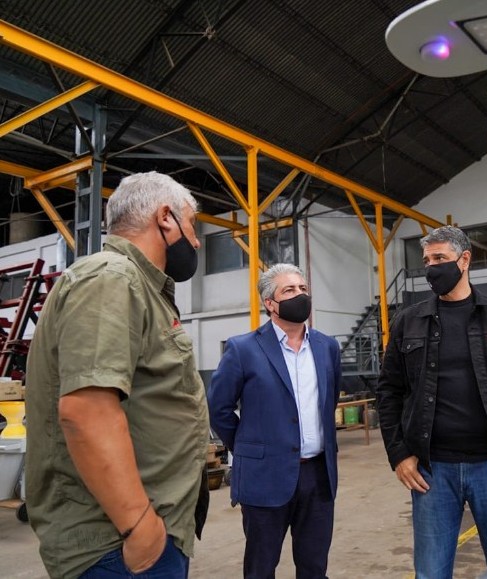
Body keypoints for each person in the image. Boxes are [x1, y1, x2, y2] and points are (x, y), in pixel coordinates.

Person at [25, 171, 209, 578]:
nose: (195, 242)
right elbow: (87, 413)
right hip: (118, 545)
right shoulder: (112, 278)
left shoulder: (136, 286)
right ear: (166, 218)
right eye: (192, 227)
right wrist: (140, 528)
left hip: (139, 536)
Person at [377, 225, 487, 578]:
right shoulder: (409, 321)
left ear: (464, 259)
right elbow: (389, 391)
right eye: (426, 260)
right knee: (431, 570)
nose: (431, 268)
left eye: (440, 258)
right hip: (431, 470)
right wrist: (399, 455)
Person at [207, 264, 342, 579]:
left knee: (314, 567)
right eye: (290, 290)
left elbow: (329, 399)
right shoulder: (243, 349)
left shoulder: (327, 347)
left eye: (303, 288)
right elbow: (219, 408)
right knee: (261, 567)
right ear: (270, 303)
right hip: (265, 476)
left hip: (317, 476)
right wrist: (248, 446)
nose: (300, 295)